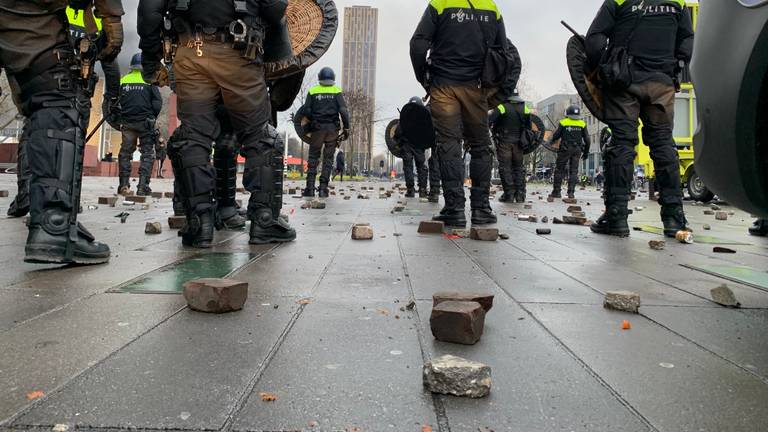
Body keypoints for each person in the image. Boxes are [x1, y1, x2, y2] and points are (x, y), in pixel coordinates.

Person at [138, 0, 295, 247]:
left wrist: (150, 58)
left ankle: (200, 223)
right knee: (260, 138)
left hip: (189, 52)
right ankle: (264, 221)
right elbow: (275, 10)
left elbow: (149, 10)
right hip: (239, 53)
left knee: (192, 136)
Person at [0, 0, 123, 264]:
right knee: (56, 102)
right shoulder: (77, 20)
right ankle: (53, 225)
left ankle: (32, 201)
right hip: (28, 18)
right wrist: (112, 16)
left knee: (39, 117)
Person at [586, 0, 693, 238]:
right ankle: (674, 219)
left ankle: (616, 217)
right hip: (661, 83)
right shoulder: (678, 2)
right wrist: (673, 69)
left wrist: (603, 68)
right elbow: (687, 42)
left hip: (625, 82)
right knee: (664, 145)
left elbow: (594, 40)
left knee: (622, 144)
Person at [410, 0, 507, 227]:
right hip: (476, 85)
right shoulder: (492, 7)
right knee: (481, 145)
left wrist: (424, 77)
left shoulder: (440, 3)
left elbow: (417, 44)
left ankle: (454, 209)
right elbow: (503, 51)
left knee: (448, 144)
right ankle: (481, 209)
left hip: (444, 84)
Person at [301, 67, 350, 198]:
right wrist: (346, 127)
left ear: (319, 78)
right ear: (333, 78)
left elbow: (306, 111)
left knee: (313, 158)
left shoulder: (313, 91)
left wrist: (313, 120)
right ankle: (323, 189)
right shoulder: (336, 91)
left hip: (317, 129)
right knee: (328, 160)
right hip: (332, 131)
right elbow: (344, 111)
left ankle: (310, 188)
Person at [117, 53, 162, 196]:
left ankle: (124, 185)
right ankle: (142, 187)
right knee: (147, 154)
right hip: (145, 124)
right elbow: (157, 102)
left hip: (128, 123)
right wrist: (152, 117)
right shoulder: (149, 81)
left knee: (125, 154)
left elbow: (116, 102)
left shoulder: (124, 80)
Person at [489, 92, 530, 203]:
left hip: (504, 142)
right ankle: (520, 194)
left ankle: (509, 194)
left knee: (505, 168)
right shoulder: (525, 108)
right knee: (518, 168)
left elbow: (490, 120)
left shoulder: (502, 107)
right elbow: (529, 127)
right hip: (519, 144)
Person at [549, 105, 590, 200]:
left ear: (567, 114)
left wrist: (551, 141)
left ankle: (556, 192)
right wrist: (586, 152)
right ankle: (571, 193)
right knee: (574, 171)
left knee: (559, 169)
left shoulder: (563, 122)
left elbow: (556, 135)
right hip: (577, 150)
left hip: (565, 149)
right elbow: (587, 140)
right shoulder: (582, 123)